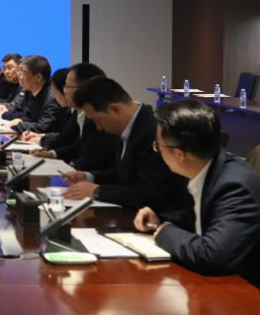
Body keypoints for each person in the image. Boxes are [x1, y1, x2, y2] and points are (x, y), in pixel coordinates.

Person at [133, 100, 260, 304]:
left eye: (158, 146)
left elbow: (212, 256)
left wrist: (165, 233)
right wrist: (159, 219)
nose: (157, 151)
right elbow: (200, 218)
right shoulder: (205, 168)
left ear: (179, 154)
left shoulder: (234, 186)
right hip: (230, 292)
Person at [61, 77, 190, 214]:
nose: (99, 128)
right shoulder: (127, 127)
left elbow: (149, 194)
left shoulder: (154, 132)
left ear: (115, 109)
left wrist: (97, 191)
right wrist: (89, 177)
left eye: (98, 120)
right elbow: (124, 174)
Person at [0, 55, 63, 133]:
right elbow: (27, 116)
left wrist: (20, 124)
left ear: (38, 77)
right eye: (18, 70)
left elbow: (44, 127)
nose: (19, 76)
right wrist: (21, 120)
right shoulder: (30, 91)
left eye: (23, 71)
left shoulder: (54, 97)